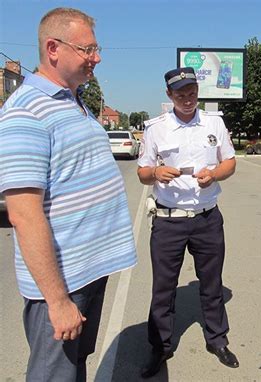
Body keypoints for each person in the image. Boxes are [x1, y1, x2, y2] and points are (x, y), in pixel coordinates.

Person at [0, 8, 137, 381]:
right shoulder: (26, 112)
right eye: (88, 49)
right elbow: (24, 215)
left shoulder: (72, 100)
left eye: (97, 48)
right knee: (53, 374)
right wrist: (57, 302)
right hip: (61, 286)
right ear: (53, 48)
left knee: (73, 366)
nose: (97, 57)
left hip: (86, 273)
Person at [137, 67, 238, 378]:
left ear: (198, 91)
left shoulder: (214, 123)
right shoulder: (156, 129)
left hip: (207, 218)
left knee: (212, 285)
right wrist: (155, 173)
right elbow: (142, 172)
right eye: (180, 94)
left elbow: (229, 162)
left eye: (192, 92)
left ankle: (217, 339)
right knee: (163, 289)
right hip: (169, 221)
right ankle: (161, 347)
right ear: (169, 96)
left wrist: (215, 174)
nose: (187, 98)